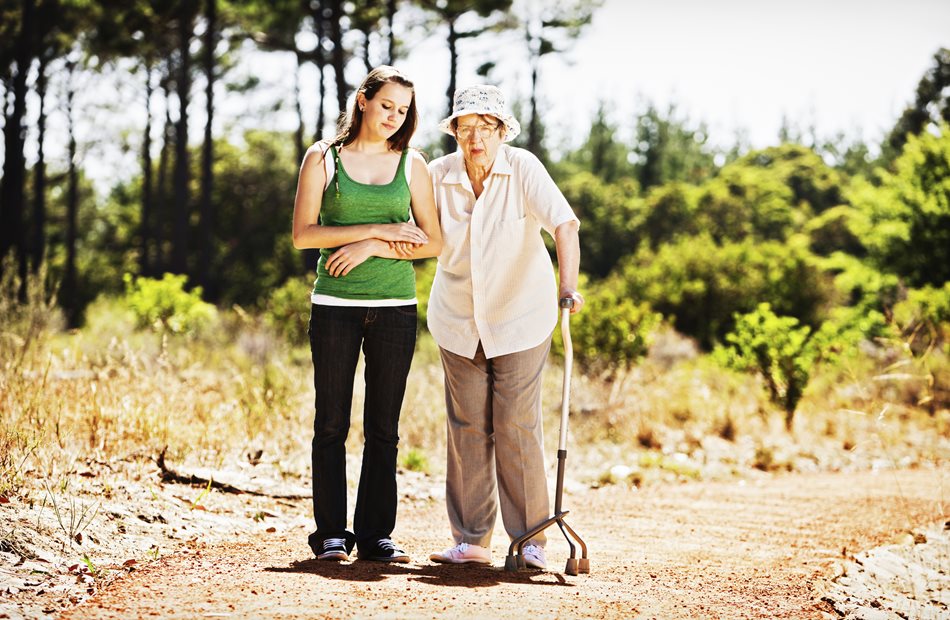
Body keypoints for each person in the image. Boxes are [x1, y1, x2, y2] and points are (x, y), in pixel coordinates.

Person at [426, 85, 583, 570]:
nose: (476, 138)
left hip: (520, 317)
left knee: (515, 423)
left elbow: (565, 224)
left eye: (486, 128)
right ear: (455, 132)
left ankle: (532, 540)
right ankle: (472, 540)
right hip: (457, 319)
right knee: (468, 426)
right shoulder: (436, 175)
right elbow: (408, 231)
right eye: (467, 128)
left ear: (502, 132)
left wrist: (568, 286)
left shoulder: (523, 168)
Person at [291, 66, 442, 563]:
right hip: (335, 307)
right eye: (386, 106)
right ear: (362, 101)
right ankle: (331, 535)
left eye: (403, 111)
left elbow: (433, 242)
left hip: (396, 309)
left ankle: (376, 534)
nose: (394, 118)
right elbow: (304, 235)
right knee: (331, 424)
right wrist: (378, 230)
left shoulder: (413, 164)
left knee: (384, 427)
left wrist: (371, 246)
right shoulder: (323, 158)